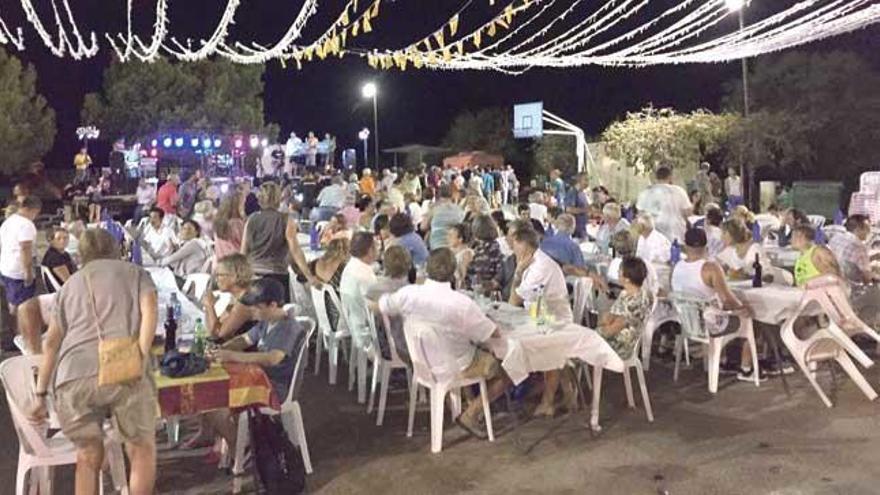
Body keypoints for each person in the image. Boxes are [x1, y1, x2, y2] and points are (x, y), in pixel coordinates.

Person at [30, 228, 158, 495]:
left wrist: (40, 394)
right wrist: (141, 356)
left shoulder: (70, 286)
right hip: (125, 370)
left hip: (73, 376)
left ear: (82, 254)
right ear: (114, 248)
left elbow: (51, 343)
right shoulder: (136, 274)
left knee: (87, 455)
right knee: (140, 447)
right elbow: (150, 313)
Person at [378, 248, 511, 436]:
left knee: (460, 348)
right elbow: (491, 333)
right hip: (455, 366)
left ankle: (461, 404)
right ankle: (472, 413)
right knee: (509, 368)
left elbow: (383, 304)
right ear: (453, 272)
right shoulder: (461, 303)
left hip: (421, 362)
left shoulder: (408, 293)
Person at [204, 278, 304, 453]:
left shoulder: (288, 327)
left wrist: (232, 355)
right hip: (258, 378)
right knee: (210, 396)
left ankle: (239, 448)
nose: (252, 312)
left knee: (215, 405)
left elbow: (273, 358)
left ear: (273, 305)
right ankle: (240, 442)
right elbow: (244, 339)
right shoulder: (266, 322)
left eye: (257, 307)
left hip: (274, 387)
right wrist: (222, 348)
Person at [672, 228, 757, 381]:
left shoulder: (677, 267)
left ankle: (722, 361)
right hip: (710, 325)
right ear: (706, 247)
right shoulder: (710, 268)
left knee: (717, 310)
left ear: (685, 246)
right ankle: (746, 368)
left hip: (688, 323)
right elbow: (728, 300)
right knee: (749, 317)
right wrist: (743, 308)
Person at [508, 226, 575, 416]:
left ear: (524, 245)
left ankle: (548, 400)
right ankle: (568, 394)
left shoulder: (540, 266)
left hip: (554, 320)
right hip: (539, 316)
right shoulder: (534, 261)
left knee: (547, 349)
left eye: (514, 244)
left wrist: (518, 271)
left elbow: (514, 302)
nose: (512, 248)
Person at [243, 182, 317, 299]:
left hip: (254, 275)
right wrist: (309, 276)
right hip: (276, 275)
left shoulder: (251, 219)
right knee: (280, 315)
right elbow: (295, 249)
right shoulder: (286, 220)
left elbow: (244, 251)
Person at [598, 256, 654, 360]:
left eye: (620, 270)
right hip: (627, 342)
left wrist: (595, 334)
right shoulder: (644, 295)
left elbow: (614, 327)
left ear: (627, 278)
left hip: (619, 346)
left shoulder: (632, 301)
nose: (618, 272)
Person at [0, 196, 41, 314]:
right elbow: (25, 249)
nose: (35, 216)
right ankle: (21, 330)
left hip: (5, 268)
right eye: (36, 213)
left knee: (12, 301)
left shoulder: (8, 221)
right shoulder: (26, 225)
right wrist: (27, 273)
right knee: (22, 307)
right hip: (19, 272)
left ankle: (13, 328)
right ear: (32, 209)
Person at [202, 253, 257, 340]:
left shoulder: (246, 301)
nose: (216, 280)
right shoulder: (235, 299)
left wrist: (210, 306)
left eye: (219, 275)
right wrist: (207, 306)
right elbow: (213, 330)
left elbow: (218, 333)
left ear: (234, 276)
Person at [340, 232, 379, 353]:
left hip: (354, 327)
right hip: (369, 336)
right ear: (370, 250)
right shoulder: (366, 275)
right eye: (376, 246)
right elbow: (377, 307)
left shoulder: (350, 266)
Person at [636, 166, 692, 242]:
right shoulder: (679, 191)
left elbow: (640, 215)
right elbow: (688, 212)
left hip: (654, 236)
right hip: (676, 235)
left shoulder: (647, 192)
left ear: (656, 177)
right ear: (670, 177)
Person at [309, 238, 350, 331]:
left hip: (321, 317)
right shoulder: (343, 268)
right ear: (344, 251)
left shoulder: (315, 264)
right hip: (339, 319)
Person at [423, 184, 465, 250]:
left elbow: (423, 227)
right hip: (454, 246)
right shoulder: (459, 210)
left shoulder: (434, 208)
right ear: (452, 195)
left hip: (436, 245)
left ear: (439, 195)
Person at [212, 192, 246, 261]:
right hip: (236, 262)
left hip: (221, 262)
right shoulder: (237, 223)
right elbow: (245, 244)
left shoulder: (217, 223)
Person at [42, 227, 77, 291]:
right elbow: (68, 280)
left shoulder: (63, 253)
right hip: (65, 292)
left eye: (65, 238)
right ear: (51, 240)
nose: (63, 241)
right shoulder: (54, 258)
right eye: (58, 238)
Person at [447, 223, 474, 289]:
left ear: (460, 239)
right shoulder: (450, 252)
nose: (447, 238)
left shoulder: (466, 254)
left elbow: (464, 278)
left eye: (450, 236)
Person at [565, 173, 592, 239]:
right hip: (575, 231)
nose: (587, 182)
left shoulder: (583, 193)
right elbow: (569, 209)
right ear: (579, 180)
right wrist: (586, 210)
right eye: (585, 180)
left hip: (583, 229)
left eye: (588, 180)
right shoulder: (572, 192)